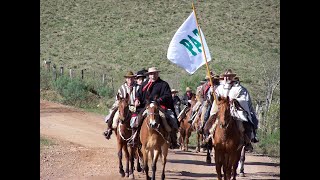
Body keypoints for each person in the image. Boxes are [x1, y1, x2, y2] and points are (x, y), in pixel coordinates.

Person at [207, 69, 259, 149]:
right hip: (221, 109)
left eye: (229, 77)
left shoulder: (239, 88)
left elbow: (244, 99)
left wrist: (235, 100)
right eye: (226, 76)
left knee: (245, 124)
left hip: (235, 110)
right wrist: (212, 93)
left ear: (232, 77)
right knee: (209, 123)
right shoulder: (219, 88)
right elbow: (214, 99)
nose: (227, 78)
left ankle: (247, 140)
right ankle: (209, 139)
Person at [135, 67, 180, 149]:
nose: (153, 75)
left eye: (154, 73)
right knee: (138, 119)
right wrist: (137, 99)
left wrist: (159, 100)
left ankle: (173, 139)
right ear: (149, 75)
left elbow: (167, 95)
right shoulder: (145, 84)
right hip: (147, 107)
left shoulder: (163, 84)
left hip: (160, 107)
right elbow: (139, 94)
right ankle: (136, 138)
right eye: (151, 74)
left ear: (157, 74)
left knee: (172, 119)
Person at [103, 71, 138, 140]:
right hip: (123, 106)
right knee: (114, 115)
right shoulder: (122, 88)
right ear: (126, 79)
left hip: (134, 107)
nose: (130, 80)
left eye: (131, 78)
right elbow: (118, 98)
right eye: (128, 78)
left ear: (134, 78)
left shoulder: (137, 87)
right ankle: (109, 129)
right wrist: (119, 104)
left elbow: (140, 97)